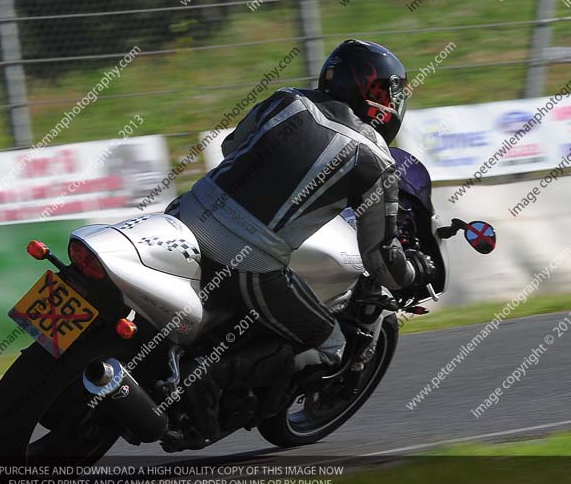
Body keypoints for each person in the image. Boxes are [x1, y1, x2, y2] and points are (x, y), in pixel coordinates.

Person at [166, 39, 435, 371]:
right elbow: (379, 258)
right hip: (246, 263)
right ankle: (205, 391)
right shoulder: (375, 160)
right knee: (331, 346)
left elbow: (231, 147)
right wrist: (411, 273)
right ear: (379, 96)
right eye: (392, 95)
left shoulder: (286, 100)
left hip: (182, 215)